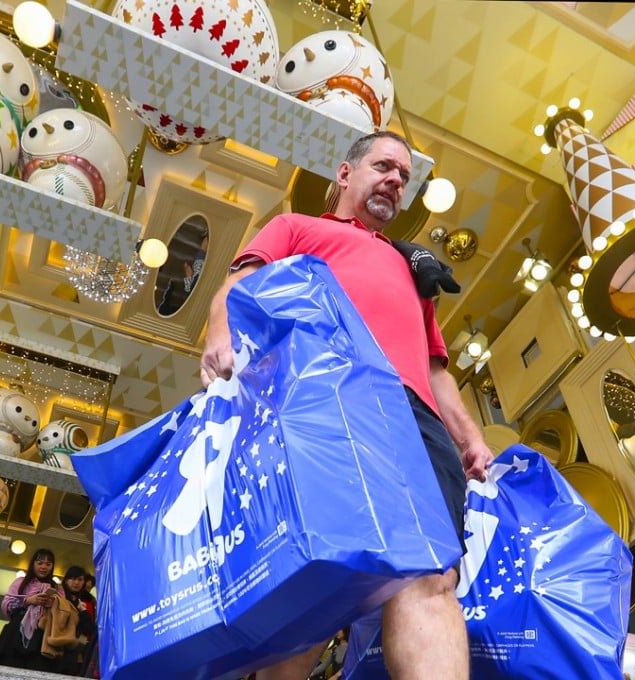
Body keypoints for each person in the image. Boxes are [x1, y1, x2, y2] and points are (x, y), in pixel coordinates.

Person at [200, 131, 495, 680]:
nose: (396, 181)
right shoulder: (298, 226)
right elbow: (240, 281)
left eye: (404, 177)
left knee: (431, 575)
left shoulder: (413, 270)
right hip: (328, 399)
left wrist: (470, 436)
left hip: (417, 423)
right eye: (384, 166)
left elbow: (435, 369)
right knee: (317, 572)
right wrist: (220, 331)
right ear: (344, 173)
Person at [0, 547, 64, 672]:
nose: (44, 567)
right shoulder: (21, 582)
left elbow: (62, 613)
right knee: (9, 667)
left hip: (43, 634)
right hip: (16, 630)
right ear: (33, 564)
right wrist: (28, 601)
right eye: (40, 563)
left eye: (48, 564)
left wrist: (52, 604)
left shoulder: (58, 588)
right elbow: (6, 604)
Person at [59, 566, 96, 676]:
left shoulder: (83, 603)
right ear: (66, 580)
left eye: (80, 580)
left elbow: (92, 629)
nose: (76, 583)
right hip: (56, 647)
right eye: (73, 579)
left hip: (73, 651)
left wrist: (83, 611)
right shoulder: (59, 598)